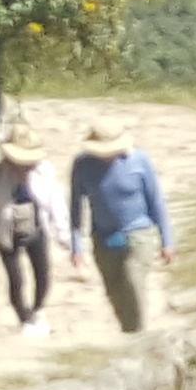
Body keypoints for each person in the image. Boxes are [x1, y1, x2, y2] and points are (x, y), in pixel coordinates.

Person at [66, 121, 169, 329]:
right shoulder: (82, 165)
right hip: (103, 238)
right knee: (115, 294)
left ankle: (140, 337)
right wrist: (77, 246)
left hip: (139, 234)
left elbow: (156, 201)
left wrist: (168, 240)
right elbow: (76, 207)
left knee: (133, 282)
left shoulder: (139, 161)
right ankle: (130, 334)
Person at [0, 147, 55, 330]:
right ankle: (23, 317)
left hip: (36, 228)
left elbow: (55, 201)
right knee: (16, 279)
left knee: (43, 274)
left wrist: (64, 231)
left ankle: (38, 309)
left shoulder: (44, 171)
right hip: (6, 232)